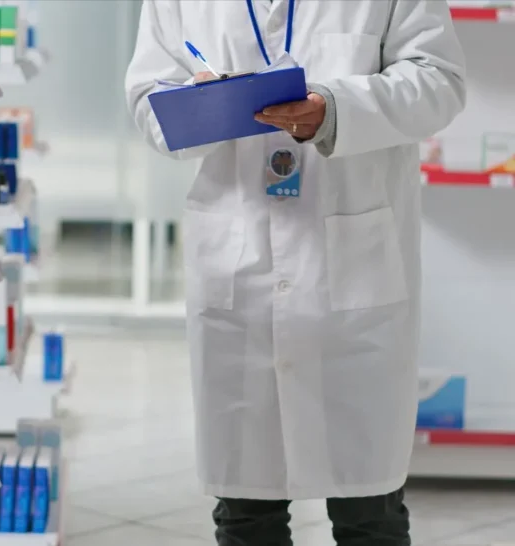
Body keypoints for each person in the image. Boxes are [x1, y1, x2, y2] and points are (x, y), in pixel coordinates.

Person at [125, 1, 466, 545]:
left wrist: (335, 108)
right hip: (239, 262)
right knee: (246, 513)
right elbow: (147, 98)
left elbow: (439, 81)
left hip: (352, 272)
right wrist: (204, 107)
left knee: (369, 513)